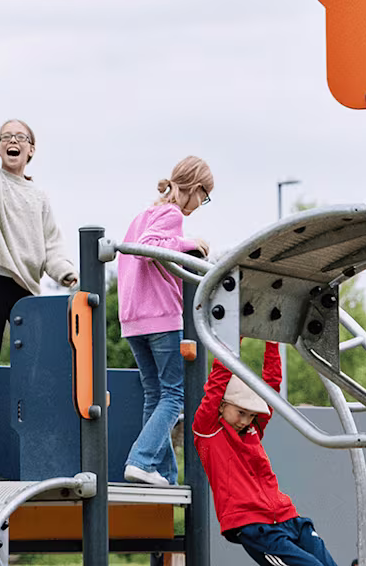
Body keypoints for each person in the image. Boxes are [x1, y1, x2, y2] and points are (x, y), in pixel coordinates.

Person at [0, 38, 79, 453]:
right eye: (6, 136)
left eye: (20, 137)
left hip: (29, 291)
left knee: (40, 372)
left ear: (31, 150)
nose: (12, 141)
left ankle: (45, 447)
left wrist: (70, 275)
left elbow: (53, 247)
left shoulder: (40, 196)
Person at [194, 345, 340, 566]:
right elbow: (218, 377)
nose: (245, 421)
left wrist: (272, 342)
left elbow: (272, 386)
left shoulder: (253, 430)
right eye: (240, 413)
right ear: (222, 406)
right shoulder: (209, 432)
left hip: (288, 517)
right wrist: (234, 331)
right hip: (256, 528)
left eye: (251, 415)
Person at [117, 155, 214, 486]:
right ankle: (141, 460)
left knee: (155, 394)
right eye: (205, 195)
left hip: (133, 319)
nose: (202, 203)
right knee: (176, 396)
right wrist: (191, 244)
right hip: (161, 317)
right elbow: (146, 249)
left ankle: (163, 473)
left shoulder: (143, 215)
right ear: (194, 188)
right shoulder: (171, 214)